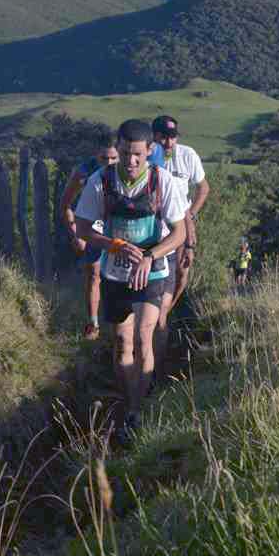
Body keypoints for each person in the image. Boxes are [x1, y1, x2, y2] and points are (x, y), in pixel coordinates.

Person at [73, 120, 187, 440]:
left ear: (150, 151)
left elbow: (179, 232)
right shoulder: (101, 182)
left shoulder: (163, 182)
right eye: (125, 153)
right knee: (122, 343)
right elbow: (83, 229)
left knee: (142, 338)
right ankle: (127, 402)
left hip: (154, 271)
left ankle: (136, 411)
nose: (131, 160)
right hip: (115, 272)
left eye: (137, 154)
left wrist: (150, 256)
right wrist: (115, 245)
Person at [148, 114, 209, 361]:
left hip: (181, 220)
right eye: (163, 137)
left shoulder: (188, 155)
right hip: (152, 222)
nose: (168, 142)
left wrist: (191, 216)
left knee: (183, 272)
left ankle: (165, 314)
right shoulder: (148, 154)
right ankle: (155, 317)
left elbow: (203, 187)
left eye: (172, 137)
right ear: (155, 136)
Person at [59, 133, 119, 339]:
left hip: (119, 227)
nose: (109, 162)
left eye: (113, 158)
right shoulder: (83, 172)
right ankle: (93, 323)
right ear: (96, 155)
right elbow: (65, 204)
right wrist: (76, 234)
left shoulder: (128, 171)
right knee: (94, 274)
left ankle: (118, 322)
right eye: (104, 158)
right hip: (92, 226)